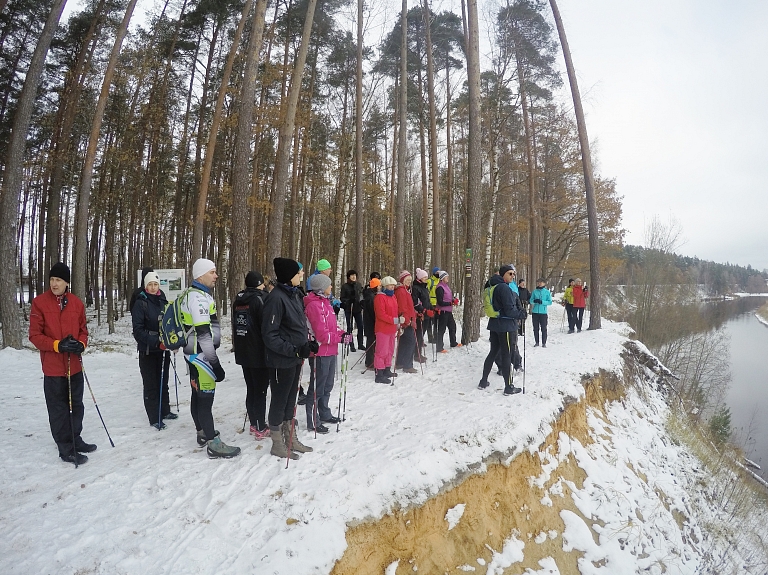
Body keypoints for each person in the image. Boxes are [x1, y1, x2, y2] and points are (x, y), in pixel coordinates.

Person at [29, 262, 94, 465]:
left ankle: (76, 438)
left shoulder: (76, 304)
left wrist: (81, 344)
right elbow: (35, 336)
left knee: (77, 405)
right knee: (58, 408)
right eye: (52, 280)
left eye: (58, 280)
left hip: (74, 365)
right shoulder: (40, 303)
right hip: (54, 368)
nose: (54, 284)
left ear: (67, 282)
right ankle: (65, 447)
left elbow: (83, 330)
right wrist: (58, 345)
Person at [181, 258, 240, 458]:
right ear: (200, 275)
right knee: (205, 398)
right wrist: (215, 364)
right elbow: (204, 334)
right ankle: (213, 444)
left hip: (193, 354)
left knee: (197, 394)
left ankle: (202, 432)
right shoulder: (198, 298)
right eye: (212, 272)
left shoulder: (191, 294)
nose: (216, 276)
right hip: (201, 356)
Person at [262, 257, 317, 460]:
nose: (302, 275)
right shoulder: (276, 298)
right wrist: (294, 349)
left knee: (291, 400)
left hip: (294, 358)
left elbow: (297, 326)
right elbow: (270, 335)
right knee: (280, 400)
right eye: (298, 273)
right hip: (280, 360)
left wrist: (306, 344)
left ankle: (290, 438)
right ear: (288, 276)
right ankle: (277, 443)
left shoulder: (294, 295)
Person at [131, 271, 175, 430]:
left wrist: (172, 340)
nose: (153, 287)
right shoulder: (140, 302)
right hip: (148, 349)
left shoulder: (162, 300)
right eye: (150, 284)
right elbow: (138, 330)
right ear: (145, 285)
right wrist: (156, 342)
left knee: (163, 381)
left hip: (163, 348)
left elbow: (169, 323)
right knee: (151, 384)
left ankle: (165, 411)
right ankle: (154, 416)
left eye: (155, 284)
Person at [304, 273, 347, 433]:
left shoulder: (326, 303)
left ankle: (324, 413)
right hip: (320, 351)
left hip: (331, 350)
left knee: (328, 385)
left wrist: (343, 334)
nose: (331, 287)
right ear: (321, 288)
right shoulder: (314, 305)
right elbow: (322, 334)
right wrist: (339, 338)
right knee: (318, 387)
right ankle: (313, 420)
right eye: (329, 285)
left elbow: (332, 327)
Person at [232, 270, 272, 439]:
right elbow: (265, 326)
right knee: (261, 390)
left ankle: (254, 422)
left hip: (243, 351)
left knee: (252, 388)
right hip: (258, 352)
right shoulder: (259, 299)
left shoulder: (238, 300)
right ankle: (260, 426)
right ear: (258, 284)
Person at [479, 265, 527, 395]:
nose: (513, 276)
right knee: (507, 354)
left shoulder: (491, 285)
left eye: (514, 274)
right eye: (510, 273)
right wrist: (521, 314)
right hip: (505, 325)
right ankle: (508, 387)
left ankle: (483, 381)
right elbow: (509, 310)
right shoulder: (503, 288)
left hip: (495, 324)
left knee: (493, 352)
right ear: (503, 274)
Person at [373, 276, 402, 383]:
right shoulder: (379, 297)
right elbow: (381, 315)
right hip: (382, 328)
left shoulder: (393, 297)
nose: (392, 287)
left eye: (393, 286)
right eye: (390, 285)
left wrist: (398, 323)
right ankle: (379, 373)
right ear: (385, 286)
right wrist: (395, 320)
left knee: (390, 349)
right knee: (382, 351)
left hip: (391, 328)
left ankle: (387, 369)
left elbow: (395, 311)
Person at [394, 271, 418, 373]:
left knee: (403, 342)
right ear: (402, 280)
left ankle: (400, 362)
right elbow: (402, 307)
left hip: (408, 319)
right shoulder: (401, 291)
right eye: (407, 280)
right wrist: (407, 320)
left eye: (410, 280)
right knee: (410, 342)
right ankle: (407, 365)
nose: (409, 282)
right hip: (406, 321)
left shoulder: (405, 290)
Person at [434, 271, 460, 352]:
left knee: (453, 326)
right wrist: (451, 302)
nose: (448, 278)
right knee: (441, 329)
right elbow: (440, 302)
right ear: (442, 278)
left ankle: (453, 342)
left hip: (448, 311)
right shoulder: (440, 287)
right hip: (442, 311)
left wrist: (453, 300)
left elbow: (448, 297)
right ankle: (439, 347)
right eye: (446, 277)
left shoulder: (446, 286)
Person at [340, 269, 364, 351]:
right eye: (352, 275)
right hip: (349, 309)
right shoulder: (345, 286)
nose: (354, 277)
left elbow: (361, 295)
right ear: (349, 277)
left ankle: (360, 344)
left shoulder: (358, 285)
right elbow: (342, 298)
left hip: (357, 308)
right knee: (349, 327)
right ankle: (351, 344)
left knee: (360, 326)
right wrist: (347, 301)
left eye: (355, 275)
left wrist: (361, 302)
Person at [411, 268, 432, 363]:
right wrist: (423, 310)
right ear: (420, 278)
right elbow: (415, 302)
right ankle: (416, 354)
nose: (426, 279)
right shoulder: (416, 288)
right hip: (420, 314)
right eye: (424, 277)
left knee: (422, 335)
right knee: (419, 334)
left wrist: (432, 308)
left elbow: (427, 301)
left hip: (426, 313)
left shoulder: (424, 287)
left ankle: (418, 352)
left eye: (427, 277)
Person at [362, 274, 381, 369]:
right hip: (371, 323)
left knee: (372, 341)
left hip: (370, 322)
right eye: (379, 286)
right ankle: (370, 361)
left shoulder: (371, 295)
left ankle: (370, 360)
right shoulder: (371, 297)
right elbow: (373, 312)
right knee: (371, 341)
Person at [530, 278, 553, 347]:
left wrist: (542, 302)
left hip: (543, 312)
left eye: (541, 282)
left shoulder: (547, 292)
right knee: (535, 328)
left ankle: (544, 342)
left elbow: (550, 302)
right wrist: (535, 301)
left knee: (544, 327)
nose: (539, 283)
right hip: (535, 312)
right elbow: (531, 301)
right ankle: (536, 342)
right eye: (538, 282)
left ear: (544, 283)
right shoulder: (534, 291)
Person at [425, 267, 441, 342]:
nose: (438, 274)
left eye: (439, 272)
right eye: (437, 272)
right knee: (429, 322)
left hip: (438, 304)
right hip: (431, 304)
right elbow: (426, 292)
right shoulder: (430, 281)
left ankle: (435, 336)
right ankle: (430, 337)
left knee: (436, 322)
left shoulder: (440, 281)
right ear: (434, 273)